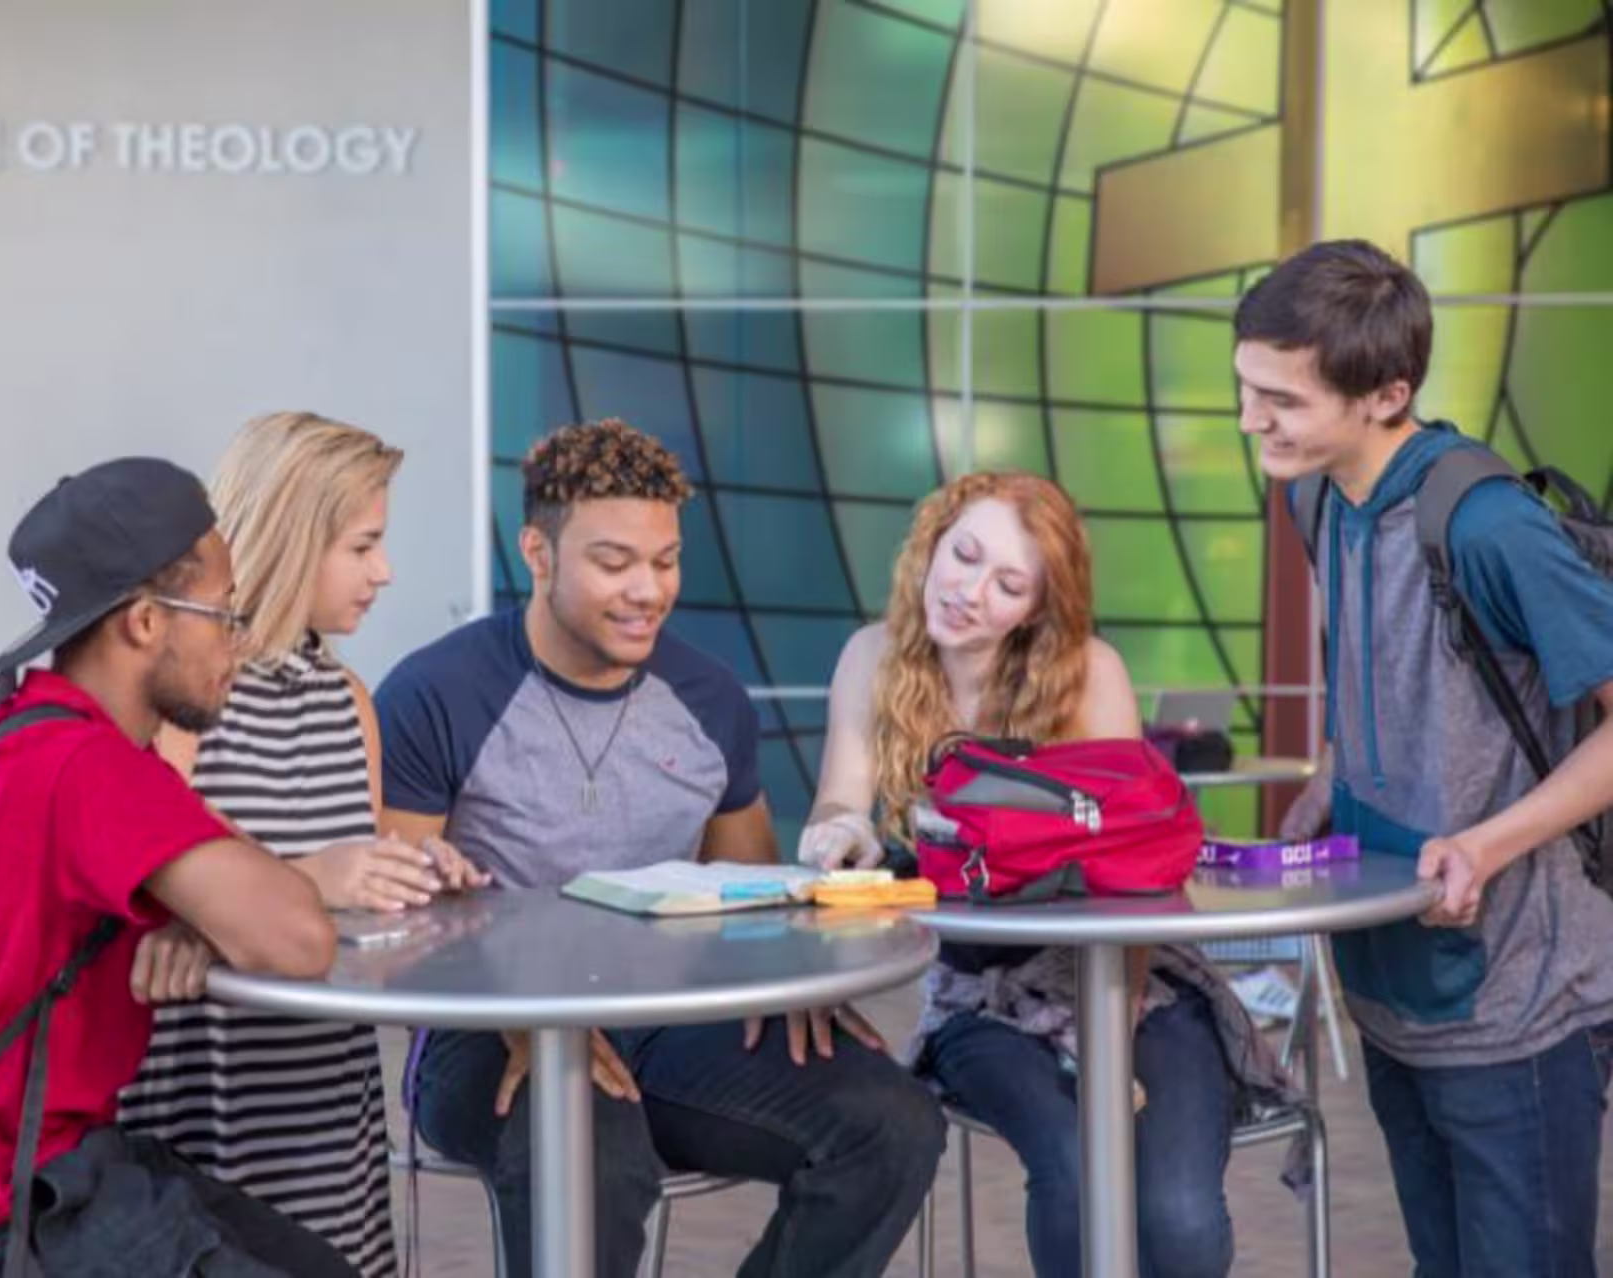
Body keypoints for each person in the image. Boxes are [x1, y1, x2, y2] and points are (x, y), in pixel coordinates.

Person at [373, 419, 945, 1278]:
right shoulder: (436, 692)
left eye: (666, 561)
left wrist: (794, 980)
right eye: (614, 563)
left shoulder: (709, 699)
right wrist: (516, 1015)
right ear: (538, 553)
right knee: (593, 1157)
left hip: (668, 1021)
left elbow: (752, 892)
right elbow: (398, 921)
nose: (648, 590)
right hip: (484, 1032)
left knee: (892, 1126)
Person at [0, 457, 357, 1277]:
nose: (238, 642)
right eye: (225, 613)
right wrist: (226, 903)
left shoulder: (25, 729)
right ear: (144, 622)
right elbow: (297, 938)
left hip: (17, 1165)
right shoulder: (90, 770)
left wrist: (198, 916)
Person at [1235, 239, 1613, 1276]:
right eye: (1246, 388)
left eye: (1283, 400)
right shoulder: (1316, 493)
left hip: (1520, 1002)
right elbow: (1390, 673)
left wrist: (1486, 845)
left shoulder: (1487, 525)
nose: (1252, 420)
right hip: (1396, 986)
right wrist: (1334, 775)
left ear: (1387, 395)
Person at [800, 472, 1240, 1278]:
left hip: (1135, 986)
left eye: (1008, 585)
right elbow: (841, 796)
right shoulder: (871, 657)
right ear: (933, 540)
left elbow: (1131, 867)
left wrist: (1107, 1035)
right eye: (964, 555)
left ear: (1038, 608)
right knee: (1074, 1175)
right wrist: (841, 828)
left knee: (1177, 1218)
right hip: (982, 1000)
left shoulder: (1088, 672)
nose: (968, 592)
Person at [118, 414, 486, 1277]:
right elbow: (145, 883)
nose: (384, 571)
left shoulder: (349, 698)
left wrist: (412, 869)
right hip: (211, 1098)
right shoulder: (188, 701)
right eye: (363, 546)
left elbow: (352, 871)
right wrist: (311, 879)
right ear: (290, 539)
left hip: (327, 1098)